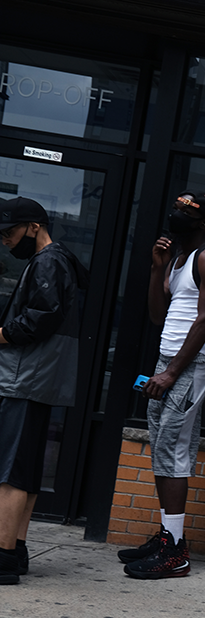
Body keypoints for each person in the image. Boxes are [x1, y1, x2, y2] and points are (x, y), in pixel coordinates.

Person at [118, 191, 205, 579]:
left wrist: (170, 374)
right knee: (162, 449)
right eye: (178, 209)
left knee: (174, 450)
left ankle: (175, 552)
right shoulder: (179, 261)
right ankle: (168, 536)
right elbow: (156, 316)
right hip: (168, 362)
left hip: (190, 365)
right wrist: (157, 269)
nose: (178, 216)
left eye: (188, 213)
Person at [0, 197, 87, 585]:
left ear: (34, 226)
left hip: (25, 376)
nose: (6, 242)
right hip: (37, 378)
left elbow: (42, 315)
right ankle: (15, 550)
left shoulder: (48, 261)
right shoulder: (58, 260)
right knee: (26, 470)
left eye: (10, 233)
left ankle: (2, 557)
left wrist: (2, 334)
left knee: (10, 472)